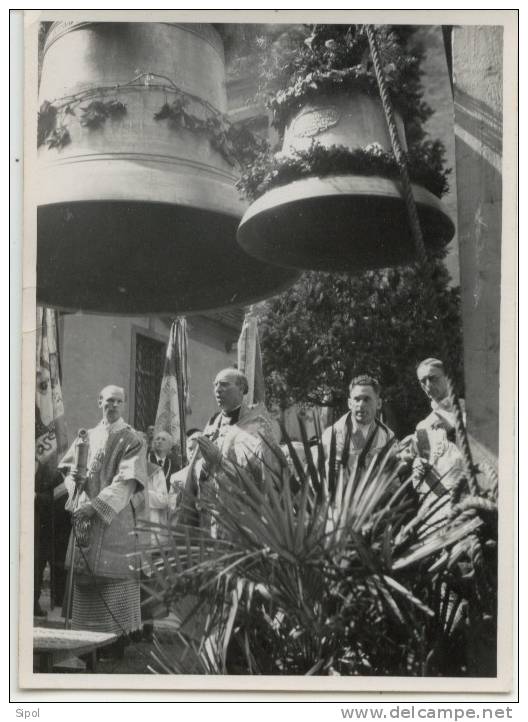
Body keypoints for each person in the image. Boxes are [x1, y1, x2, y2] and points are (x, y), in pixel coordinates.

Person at [59, 385, 146, 657]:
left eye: (119, 401)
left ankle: (115, 645)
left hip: (113, 520)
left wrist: (95, 506)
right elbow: (67, 468)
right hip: (85, 517)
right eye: (109, 401)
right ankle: (84, 644)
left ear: (124, 404)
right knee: (85, 585)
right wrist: (75, 482)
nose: (114, 406)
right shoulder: (87, 436)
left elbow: (127, 481)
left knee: (115, 583)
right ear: (100, 402)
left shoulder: (133, 438)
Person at [183, 368, 285, 532]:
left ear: (242, 388)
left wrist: (220, 462)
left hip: (240, 523)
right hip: (207, 520)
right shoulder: (212, 424)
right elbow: (196, 475)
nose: (218, 389)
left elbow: (266, 480)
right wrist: (204, 467)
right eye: (215, 385)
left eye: (224, 385)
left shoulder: (258, 428)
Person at [321, 374, 395, 481]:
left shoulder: (387, 435)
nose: (360, 405)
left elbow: (392, 477)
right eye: (356, 399)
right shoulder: (334, 434)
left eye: (366, 399)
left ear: (378, 403)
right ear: (350, 403)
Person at [131, 445, 169, 641]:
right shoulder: (128, 470)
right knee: (131, 583)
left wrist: (144, 494)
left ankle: (147, 628)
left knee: (148, 585)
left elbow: (164, 500)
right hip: (131, 533)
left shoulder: (155, 471)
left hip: (151, 533)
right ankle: (132, 628)